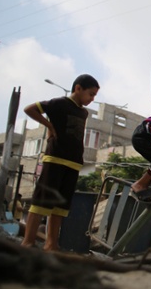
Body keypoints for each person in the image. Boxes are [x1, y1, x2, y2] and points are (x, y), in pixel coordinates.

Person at [21, 74, 100, 251]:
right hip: (56, 157)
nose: (92, 99)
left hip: (74, 161)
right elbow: (29, 109)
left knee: (60, 206)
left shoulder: (83, 112)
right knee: (41, 201)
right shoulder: (58, 103)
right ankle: (28, 241)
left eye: (95, 95)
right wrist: (49, 126)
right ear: (78, 88)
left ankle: (51, 243)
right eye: (91, 94)